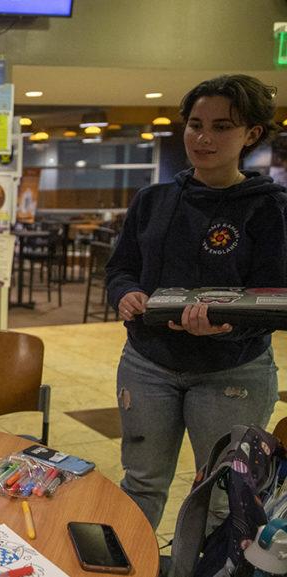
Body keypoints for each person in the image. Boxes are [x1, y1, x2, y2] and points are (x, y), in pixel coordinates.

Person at [106, 74, 287, 529]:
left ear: (252, 135)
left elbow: (277, 296)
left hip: (233, 371)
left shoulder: (270, 208)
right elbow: (120, 268)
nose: (203, 138)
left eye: (222, 127)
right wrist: (125, 293)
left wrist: (229, 324)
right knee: (141, 483)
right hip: (148, 364)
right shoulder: (153, 200)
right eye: (194, 124)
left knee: (222, 496)